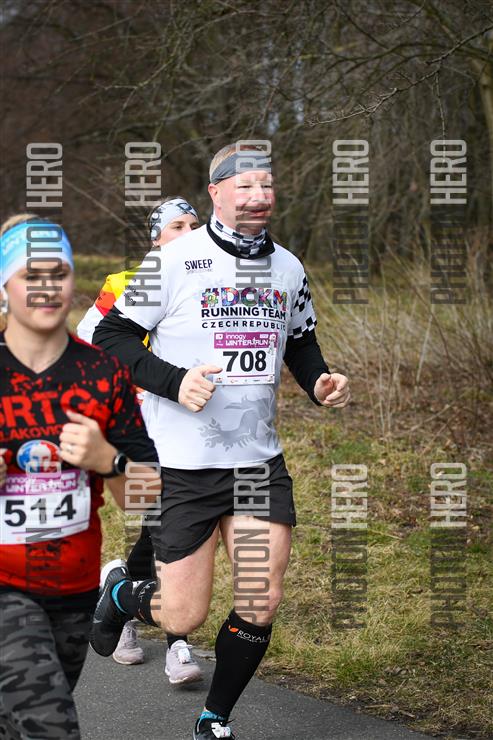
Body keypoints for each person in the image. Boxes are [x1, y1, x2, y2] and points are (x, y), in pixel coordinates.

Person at [90, 143, 351, 740]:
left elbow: (299, 341)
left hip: (257, 462)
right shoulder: (174, 260)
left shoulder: (288, 266)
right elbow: (110, 337)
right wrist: (175, 381)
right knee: (183, 613)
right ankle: (122, 594)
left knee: (261, 598)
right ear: (216, 192)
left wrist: (319, 381)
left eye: (267, 185)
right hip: (185, 465)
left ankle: (214, 720)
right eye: (245, 185)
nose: (259, 196)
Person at [0, 214, 161, 739]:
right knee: (52, 726)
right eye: (31, 274)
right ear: (4, 285)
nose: (47, 287)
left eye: (60, 273)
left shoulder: (103, 372)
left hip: (73, 588)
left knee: (22, 722)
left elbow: (146, 495)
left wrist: (107, 460)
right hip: (4, 587)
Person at [77, 197, 204, 683]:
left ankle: (124, 599)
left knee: (166, 527)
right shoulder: (129, 283)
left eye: (194, 225)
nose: (188, 233)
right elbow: (91, 344)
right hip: (145, 423)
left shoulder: (213, 279)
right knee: (170, 525)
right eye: (177, 226)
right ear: (155, 240)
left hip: (197, 423)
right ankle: (175, 641)